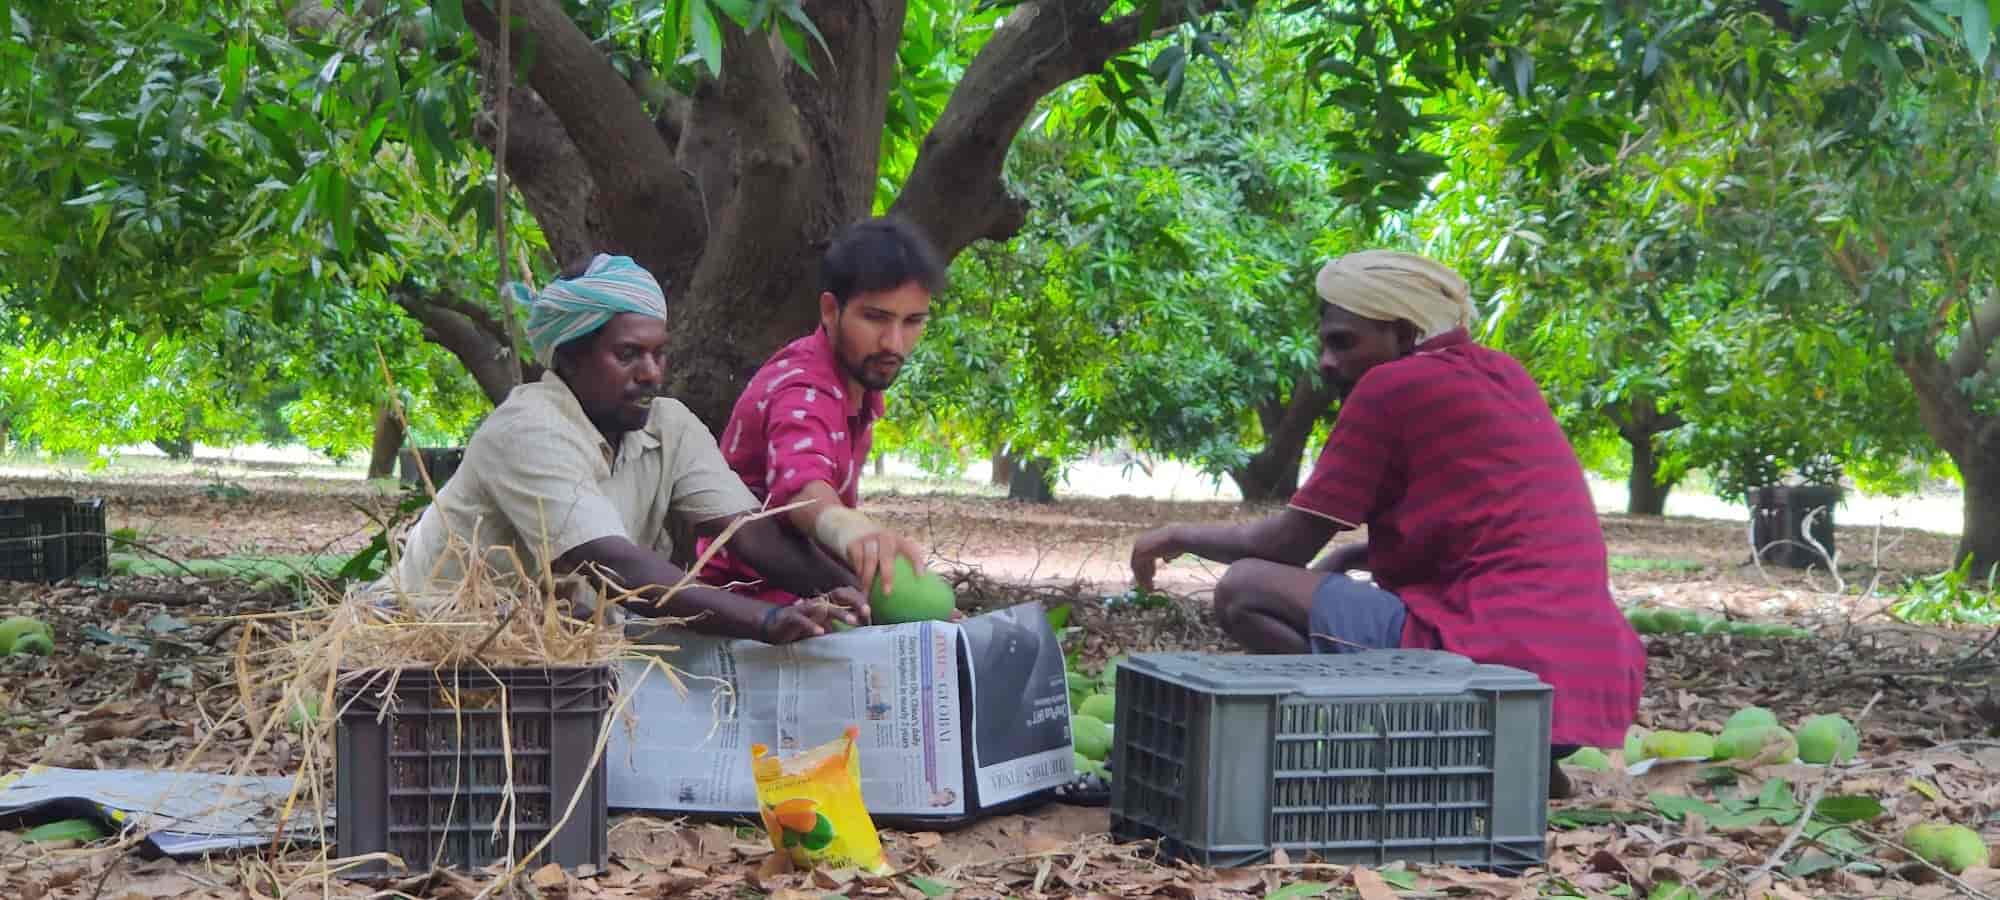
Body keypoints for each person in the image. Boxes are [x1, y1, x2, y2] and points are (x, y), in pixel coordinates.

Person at [1128, 250, 1644, 796]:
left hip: (1492, 662)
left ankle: (1403, 748)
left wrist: (1178, 536)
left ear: (1401, 334)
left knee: (1244, 590)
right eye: (1325, 342)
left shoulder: (1391, 387)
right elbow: (1491, 528)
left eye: (1344, 341)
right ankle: (1530, 766)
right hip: (1589, 674)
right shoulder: (1500, 372)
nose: (1326, 361)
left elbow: (1285, 545)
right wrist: (1354, 556)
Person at [379, 253, 867, 644]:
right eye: (628, 354)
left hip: (552, 652)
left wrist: (855, 595)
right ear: (569, 358)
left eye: (658, 353)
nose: (652, 372)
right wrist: (765, 620)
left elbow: (749, 534)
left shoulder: (668, 424)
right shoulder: (528, 430)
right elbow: (613, 566)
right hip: (439, 645)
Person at [699, 218, 942, 603]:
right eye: (875, 317)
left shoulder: (856, 387)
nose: (893, 343)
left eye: (912, 322)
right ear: (830, 311)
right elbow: (802, 485)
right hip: (745, 608)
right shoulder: (803, 388)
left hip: (809, 594)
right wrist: (851, 529)